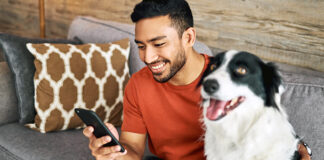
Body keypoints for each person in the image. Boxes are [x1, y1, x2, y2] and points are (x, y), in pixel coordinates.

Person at [83, 0, 311, 160]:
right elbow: (132, 149)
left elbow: (270, 128)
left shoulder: (231, 81)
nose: (147, 58)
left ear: (189, 37)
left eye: (159, 44)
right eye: (141, 46)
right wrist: (112, 152)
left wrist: (300, 147)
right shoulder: (139, 85)